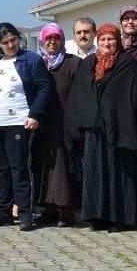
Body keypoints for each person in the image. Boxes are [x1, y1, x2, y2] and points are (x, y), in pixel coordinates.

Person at [66, 24, 137, 232]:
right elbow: (81, 94)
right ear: (98, 42)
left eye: (111, 39)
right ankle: (97, 216)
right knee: (95, 172)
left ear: (117, 40)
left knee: (119, 174)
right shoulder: (89, 63)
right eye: (103, 40)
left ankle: (122, 218)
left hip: (120, 128)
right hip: (94, 128)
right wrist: (81, 123)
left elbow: (133, 97)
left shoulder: (127, 63)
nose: (107, 43)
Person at [0, 23, 53, 231]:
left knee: (19, 168)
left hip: (17, 124)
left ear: (19, 39)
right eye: (4, 42)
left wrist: (35, 113)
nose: (10, 45)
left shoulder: (31, 60)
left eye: (13, 40)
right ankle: (3, 211)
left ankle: (25, 213)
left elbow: (45, 87)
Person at [32, 24, 80, 227]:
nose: (52, 42)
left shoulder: (73, 63)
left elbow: (80, 95)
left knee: (63, 168)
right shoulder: (37, 63)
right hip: (42, 124)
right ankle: (48, 208)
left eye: (56, 38)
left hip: (64, 123)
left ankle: (66, 210)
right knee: (44, 166)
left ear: (62, 40)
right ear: (42, 40)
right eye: (48, 38)